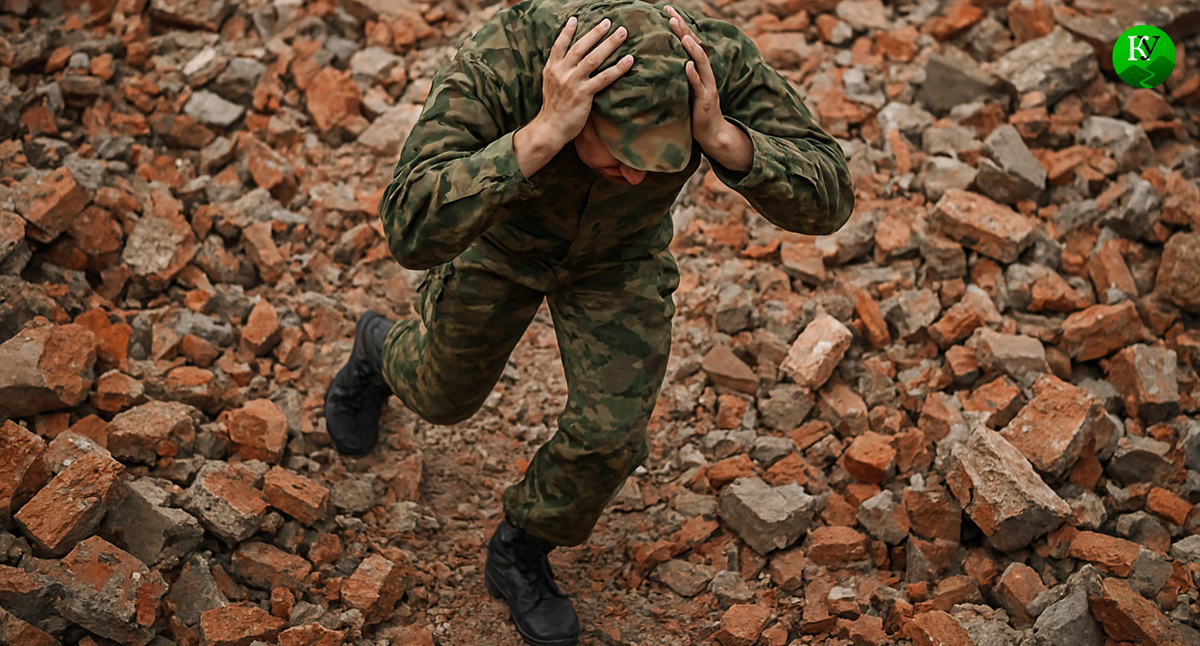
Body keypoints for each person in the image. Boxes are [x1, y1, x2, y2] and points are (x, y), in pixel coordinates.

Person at [323, 0, 855, 643]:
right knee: (442, 397)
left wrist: (725, 140)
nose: (634, 175)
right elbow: (409, 225)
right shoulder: (509, 55)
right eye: (620, 151)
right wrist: (542, 134)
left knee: (612, 435)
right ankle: (379, 350)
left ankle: (522, 548)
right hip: (502, 242)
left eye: (656, 160)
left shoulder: (709, 61)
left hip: (619, 257)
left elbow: (831, 196)